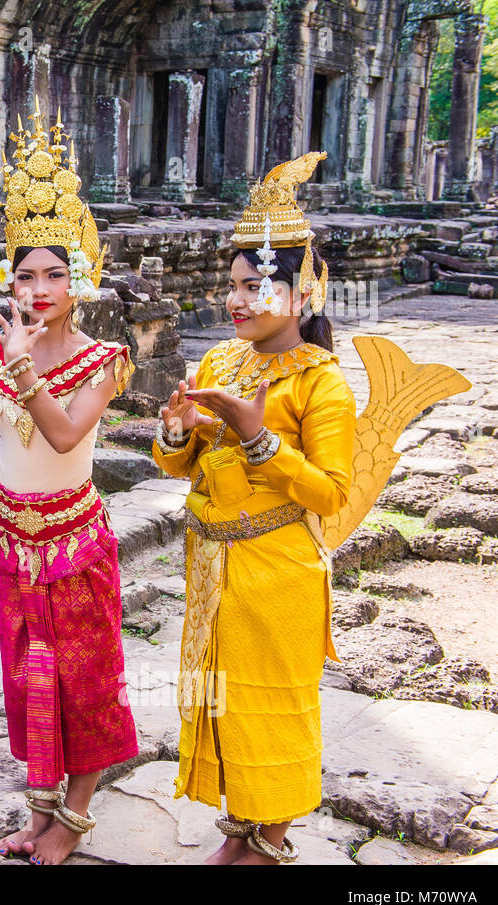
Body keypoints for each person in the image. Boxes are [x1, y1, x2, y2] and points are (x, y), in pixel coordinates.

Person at [0, 104, 138, 865]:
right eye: (25, 273)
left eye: (54, 272)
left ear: (79, 276)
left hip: (74, 541)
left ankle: (74, 818)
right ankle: (37, 810)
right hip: (8, 540)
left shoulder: (108, 358)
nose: (39, 286)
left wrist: (24, 368)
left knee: (86, 680)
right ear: (9, 277)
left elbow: (63, 433)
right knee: (28, 680)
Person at [152, 152, 355, 863]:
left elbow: (332, 492)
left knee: (272, 703)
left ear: (302, 294)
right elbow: (186, 464)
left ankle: (271, 838)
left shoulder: (322, 384)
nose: (236, 300)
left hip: (278, 572)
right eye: (232, 285)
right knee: (222, 700)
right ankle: (239, 829)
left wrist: (258, 435)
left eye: (256, 285)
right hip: (212, 563)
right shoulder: (218, 365)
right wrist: (178, 429)